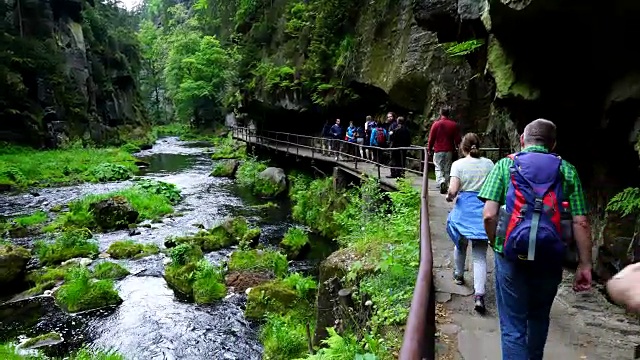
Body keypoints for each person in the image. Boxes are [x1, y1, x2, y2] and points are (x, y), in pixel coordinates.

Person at [478, 119, 593, 360]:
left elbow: (489, 215)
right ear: (553, 144)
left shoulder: (504, 166)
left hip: (510, 254)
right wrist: (585, 264)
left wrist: (496, 244)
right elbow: (580, 222)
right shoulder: (567, 169)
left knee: (513, 325)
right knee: (539, 318)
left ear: (522, 139)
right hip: (550, 256)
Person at [445, 133, 494, 313]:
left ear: (463, 148)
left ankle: (458, 275)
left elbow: (453, 190)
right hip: (483, 209)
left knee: (460, 243)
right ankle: (479, 295)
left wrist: (449, 197)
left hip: (465, 210)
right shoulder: (489, 164)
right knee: (480, 255)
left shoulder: (458, 165)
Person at [428, 106, 461, 194]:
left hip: (438, 149)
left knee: (438, 167)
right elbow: (457, 139)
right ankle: (446, 184)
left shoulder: (436, 124)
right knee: (447, 168)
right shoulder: (453, 124)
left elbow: (431, 138)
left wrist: (429, 148)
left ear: (440, 113)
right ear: (448, 113)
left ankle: (441, 181)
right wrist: (458, 147)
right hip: (449, 149)